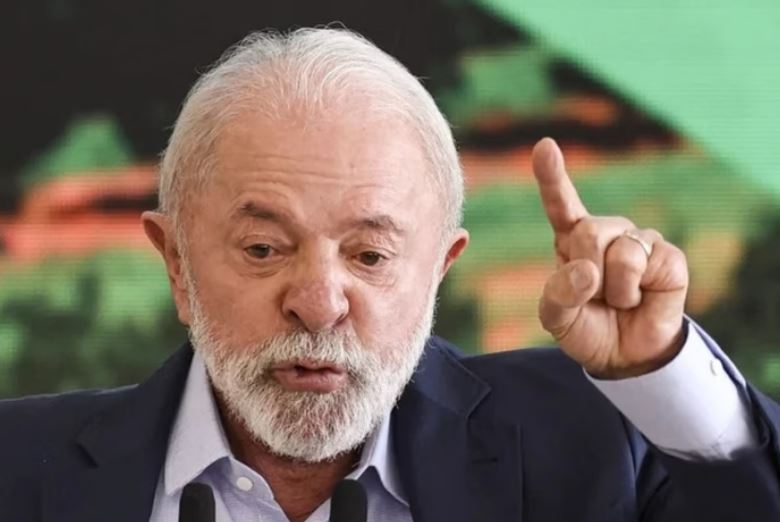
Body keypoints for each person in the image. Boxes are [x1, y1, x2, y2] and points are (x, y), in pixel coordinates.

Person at [1, 27, 779, 522]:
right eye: (264, 249)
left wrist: (657, 368)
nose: (318, 304)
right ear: (176, 261)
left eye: (370, 256)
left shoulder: (594, 442)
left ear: (440, 269)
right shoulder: (16, 465)